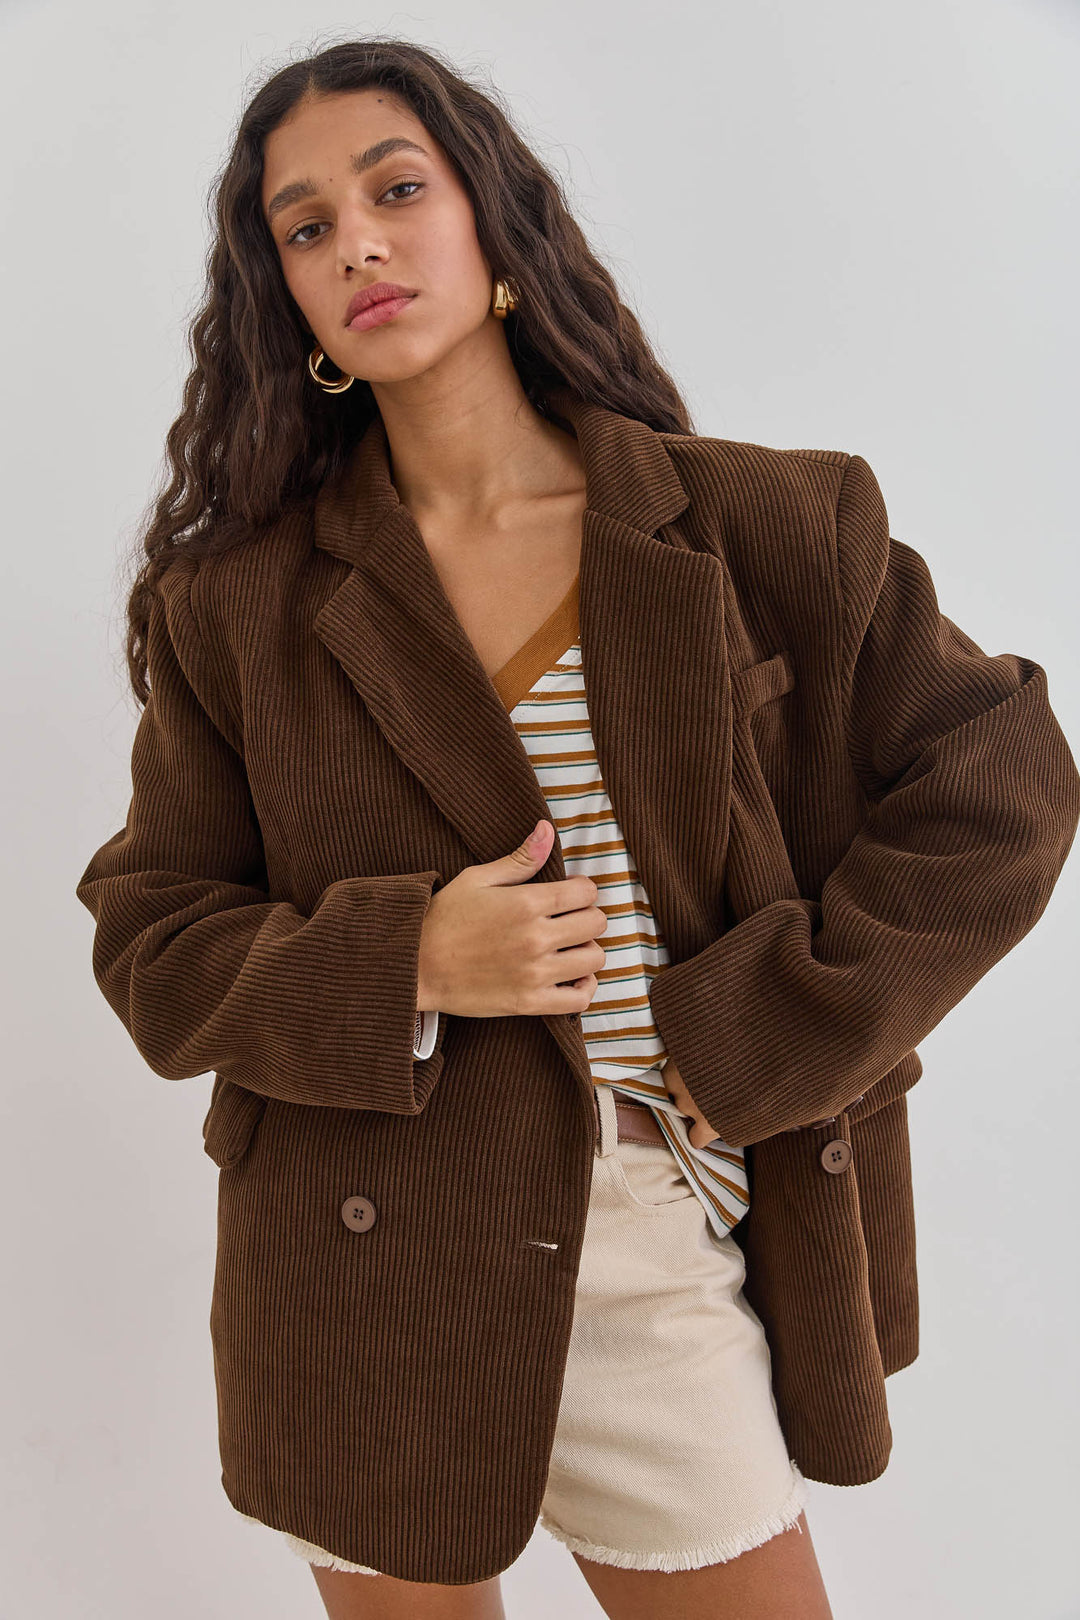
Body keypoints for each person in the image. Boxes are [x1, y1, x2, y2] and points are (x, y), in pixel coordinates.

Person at [74, 38, 1080, 1620]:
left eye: (397, 191)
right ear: (289, 300)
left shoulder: (763, 523)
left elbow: (1001, 785)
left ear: (496, 225)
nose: (359, 246)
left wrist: (763, 1024)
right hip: (364, 1261)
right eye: (307, 227)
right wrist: (409, 960)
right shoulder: (236, 608)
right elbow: (154, 940)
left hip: (656, 1236)